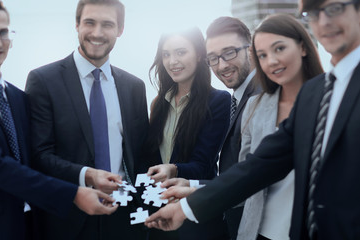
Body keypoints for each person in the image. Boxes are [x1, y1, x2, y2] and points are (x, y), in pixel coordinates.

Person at [145, 0, 360, 239]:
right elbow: (259, 167)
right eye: (313, 13)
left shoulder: (306, 92)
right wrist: (188, 203)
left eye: (334, 8)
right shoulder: (314, 93)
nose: (324, 21)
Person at [0, 1, 118, 239]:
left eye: (4, 32)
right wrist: (74, 193)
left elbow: (33, 159)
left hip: (32, 223)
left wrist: (91, 176)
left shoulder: (17, 97)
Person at [25, 0, 149, 239]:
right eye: (89, 22)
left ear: (120, 30)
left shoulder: (134, 87)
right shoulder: (43, 80)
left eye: (108, 24)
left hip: (123, 220)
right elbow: (39, 155)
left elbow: (140, 156)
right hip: (66, 221)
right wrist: (88, 175)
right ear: (77, 25)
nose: (97, 33)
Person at [160, 17, 260, 239]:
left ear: (250, 49)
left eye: (230, 52)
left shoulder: (259, 98)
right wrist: (190, 184)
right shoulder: (239, 98)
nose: (222, 65)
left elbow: (255, 177)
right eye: (214, 58)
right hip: (230, 220)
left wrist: (189, 185)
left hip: (251, 225)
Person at [236, 14, 323, 240]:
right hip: (259, 231)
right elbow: (244, 174)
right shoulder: (254, 106)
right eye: (262, 55)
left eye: (279, 49)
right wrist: (194, 192)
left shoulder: (331, 100)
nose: (271, 61)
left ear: (303, 47)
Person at [144, 27, 230, 239]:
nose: (172, 61)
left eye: (181, 52)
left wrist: (172, 169)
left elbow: (202, 166)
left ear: (200, 54)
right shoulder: (159, 103)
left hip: (195, 214)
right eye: (166, 54)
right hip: (159, 212)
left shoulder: (218, 101)